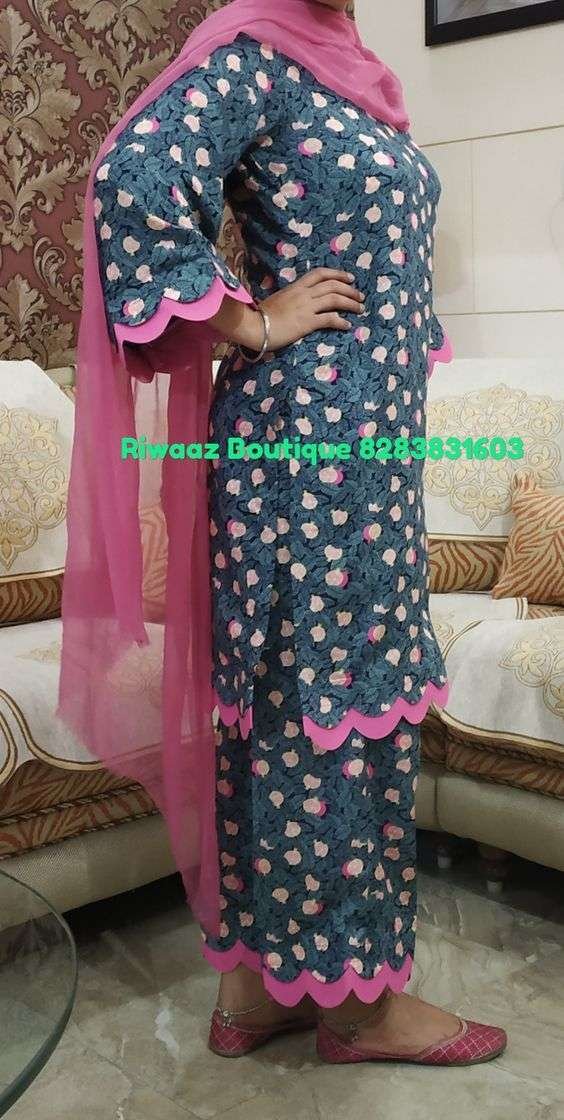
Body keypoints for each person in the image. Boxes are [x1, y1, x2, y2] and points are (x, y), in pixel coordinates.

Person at [58, 0, 507, 1066]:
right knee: (329, 700)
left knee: (291, 700)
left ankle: (258, 989)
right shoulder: (255, 54)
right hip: (311, 449)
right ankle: (358, 1008)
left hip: (353, 450)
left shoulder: (346, 69)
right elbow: (131, 182)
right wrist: (253, 319)